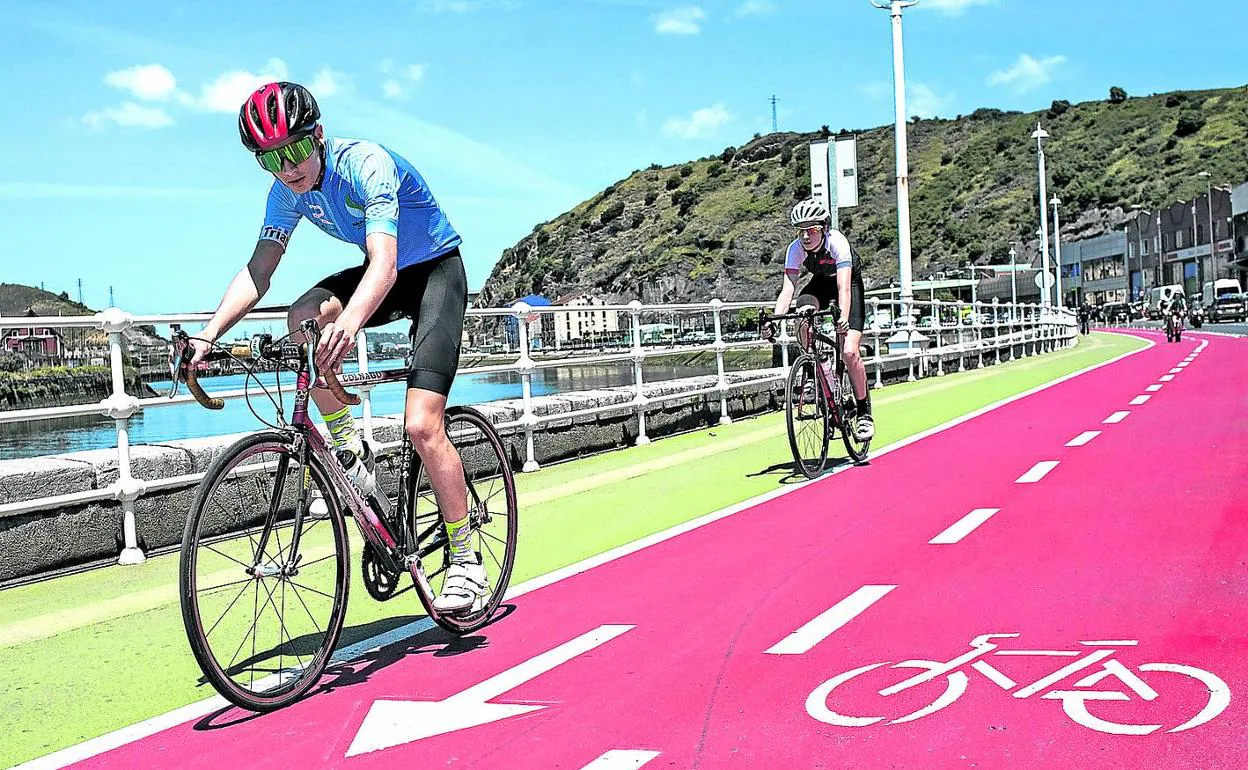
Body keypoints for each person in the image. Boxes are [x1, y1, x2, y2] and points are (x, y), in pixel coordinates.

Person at [187, 81, 484, 613]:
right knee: (301, 316)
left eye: (297, 149)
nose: (288, 167)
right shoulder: (286, 192)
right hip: (383, 274)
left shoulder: (363, 165)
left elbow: (385, 264)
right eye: (270, 159)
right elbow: (259, 272)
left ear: (318, 136)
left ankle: (466, 558)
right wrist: (210, 335)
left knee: (420, 423)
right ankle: (352, 450)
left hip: (433, 270)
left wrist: (348, 322)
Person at [762, 199, 873, 441]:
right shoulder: (795, 249)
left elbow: (844, 288)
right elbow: (787, 290)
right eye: (800, 230)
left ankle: (864, 412)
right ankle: (815, 364)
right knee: (802, 311)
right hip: (821, 284)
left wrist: (843, 318)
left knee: (850, 352)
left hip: (848, 283)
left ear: (823, 227)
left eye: (811, 229)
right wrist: (773, 319)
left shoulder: (837, 242)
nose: (805, 236)